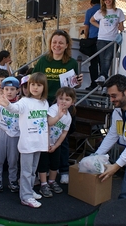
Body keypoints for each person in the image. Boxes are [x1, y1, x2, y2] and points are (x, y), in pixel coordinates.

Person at [32, 29, 83, 185]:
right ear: (50, 44)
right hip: (45, 103)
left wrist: (78, 83)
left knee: (63, 138)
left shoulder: (72, 63)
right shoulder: (43, 61)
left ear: (67, 44)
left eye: (61, 42)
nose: (57, 45)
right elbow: (34, 79)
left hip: (63, 103)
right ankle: (42, 170)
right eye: (54, 42)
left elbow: (73, 86)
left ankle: (63, 170)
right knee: (43, 135)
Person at [0, 72, 49, 208]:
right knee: (25, 171)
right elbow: (15, 108)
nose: (35, 88)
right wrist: (6, 104)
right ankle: (25, 197)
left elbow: (46, 122)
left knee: (32, 170)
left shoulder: (44, 102)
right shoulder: (24, 101)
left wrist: (59, 115)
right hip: (27, 143)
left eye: (39, 85)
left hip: (39, 142)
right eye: (32, 85)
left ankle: (29, 191)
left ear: (44, 87)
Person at [37, 87, 75, 198]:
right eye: (61, 98)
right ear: (56, 99)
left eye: (67, 99)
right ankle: (43, 184)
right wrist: (59, 116)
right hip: (44, 142)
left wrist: (56, 146)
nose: (63, 101)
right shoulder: (53, 109)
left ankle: (52, 181)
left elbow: (64, 133)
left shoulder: (68, 117)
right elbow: (49, 123)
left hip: (55, 144)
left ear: (72, 102)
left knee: (55, 164)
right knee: (43, 164)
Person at [90, 0, 125, 95]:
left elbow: (121, 25)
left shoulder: (118, 11)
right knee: (102, 61)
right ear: (103, 1)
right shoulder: (100, 12)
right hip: (101, 38)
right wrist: (99, 26)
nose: (107, 0)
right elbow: (91, 20)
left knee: (107, 60)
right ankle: (105, 84)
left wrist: (121, 30)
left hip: (112, 40)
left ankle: (103, 78)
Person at [0, 77, 20, 193]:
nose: (9, 92)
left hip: (15, 134)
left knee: (13, 160)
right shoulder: (0, 102)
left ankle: (12, 180)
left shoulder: (20, 103)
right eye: (6, 89)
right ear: (2, 90)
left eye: (12, 89)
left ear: (17, 90)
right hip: (2, 132)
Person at [83, 0, 101, 90]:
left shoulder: (90, 11)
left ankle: (94, 84)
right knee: (103, 63)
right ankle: (103, 85)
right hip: (104, 39)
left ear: (91, 4)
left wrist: (86, 38)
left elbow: (86, 27)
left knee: (93, 62)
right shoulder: (104, 10)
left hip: (93, 39)